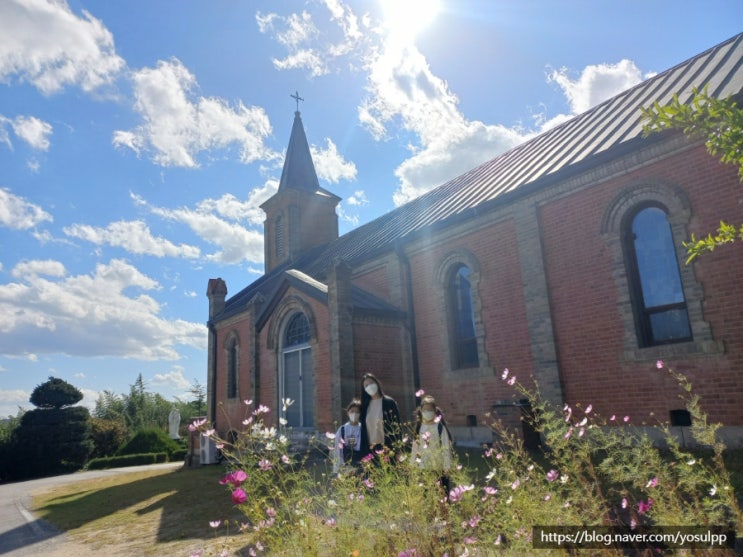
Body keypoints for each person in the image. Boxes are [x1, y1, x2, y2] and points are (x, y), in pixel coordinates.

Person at [410, 394, 453, 496]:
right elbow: (415, 448)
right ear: (420, 410)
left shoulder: (440, 428)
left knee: (441, 495)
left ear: (435, 411)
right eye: (425, 410)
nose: (427, 412)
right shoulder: (419, 427)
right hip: (423, 468)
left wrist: (447, 466)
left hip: (438, 468)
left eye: (429, 410)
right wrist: (412, 464)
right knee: (426, 495)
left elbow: (446, 448)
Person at [359, 373, 402, 460]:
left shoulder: (389, 403)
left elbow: (397, 426)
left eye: (371, 383)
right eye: (366, 385)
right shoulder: (364, 406)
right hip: (370, 450)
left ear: (376, 383)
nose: (369, 387)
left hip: (387, 447)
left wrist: (398, 449)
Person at [333, 399, 363, 475]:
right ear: (348, 412)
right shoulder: (342, 430)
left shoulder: (363, 429)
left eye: (357, 412)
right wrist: (338, 470)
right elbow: (337, 450)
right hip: (346, 466)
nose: (354, 414)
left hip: (361, 466)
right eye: (352, 411)